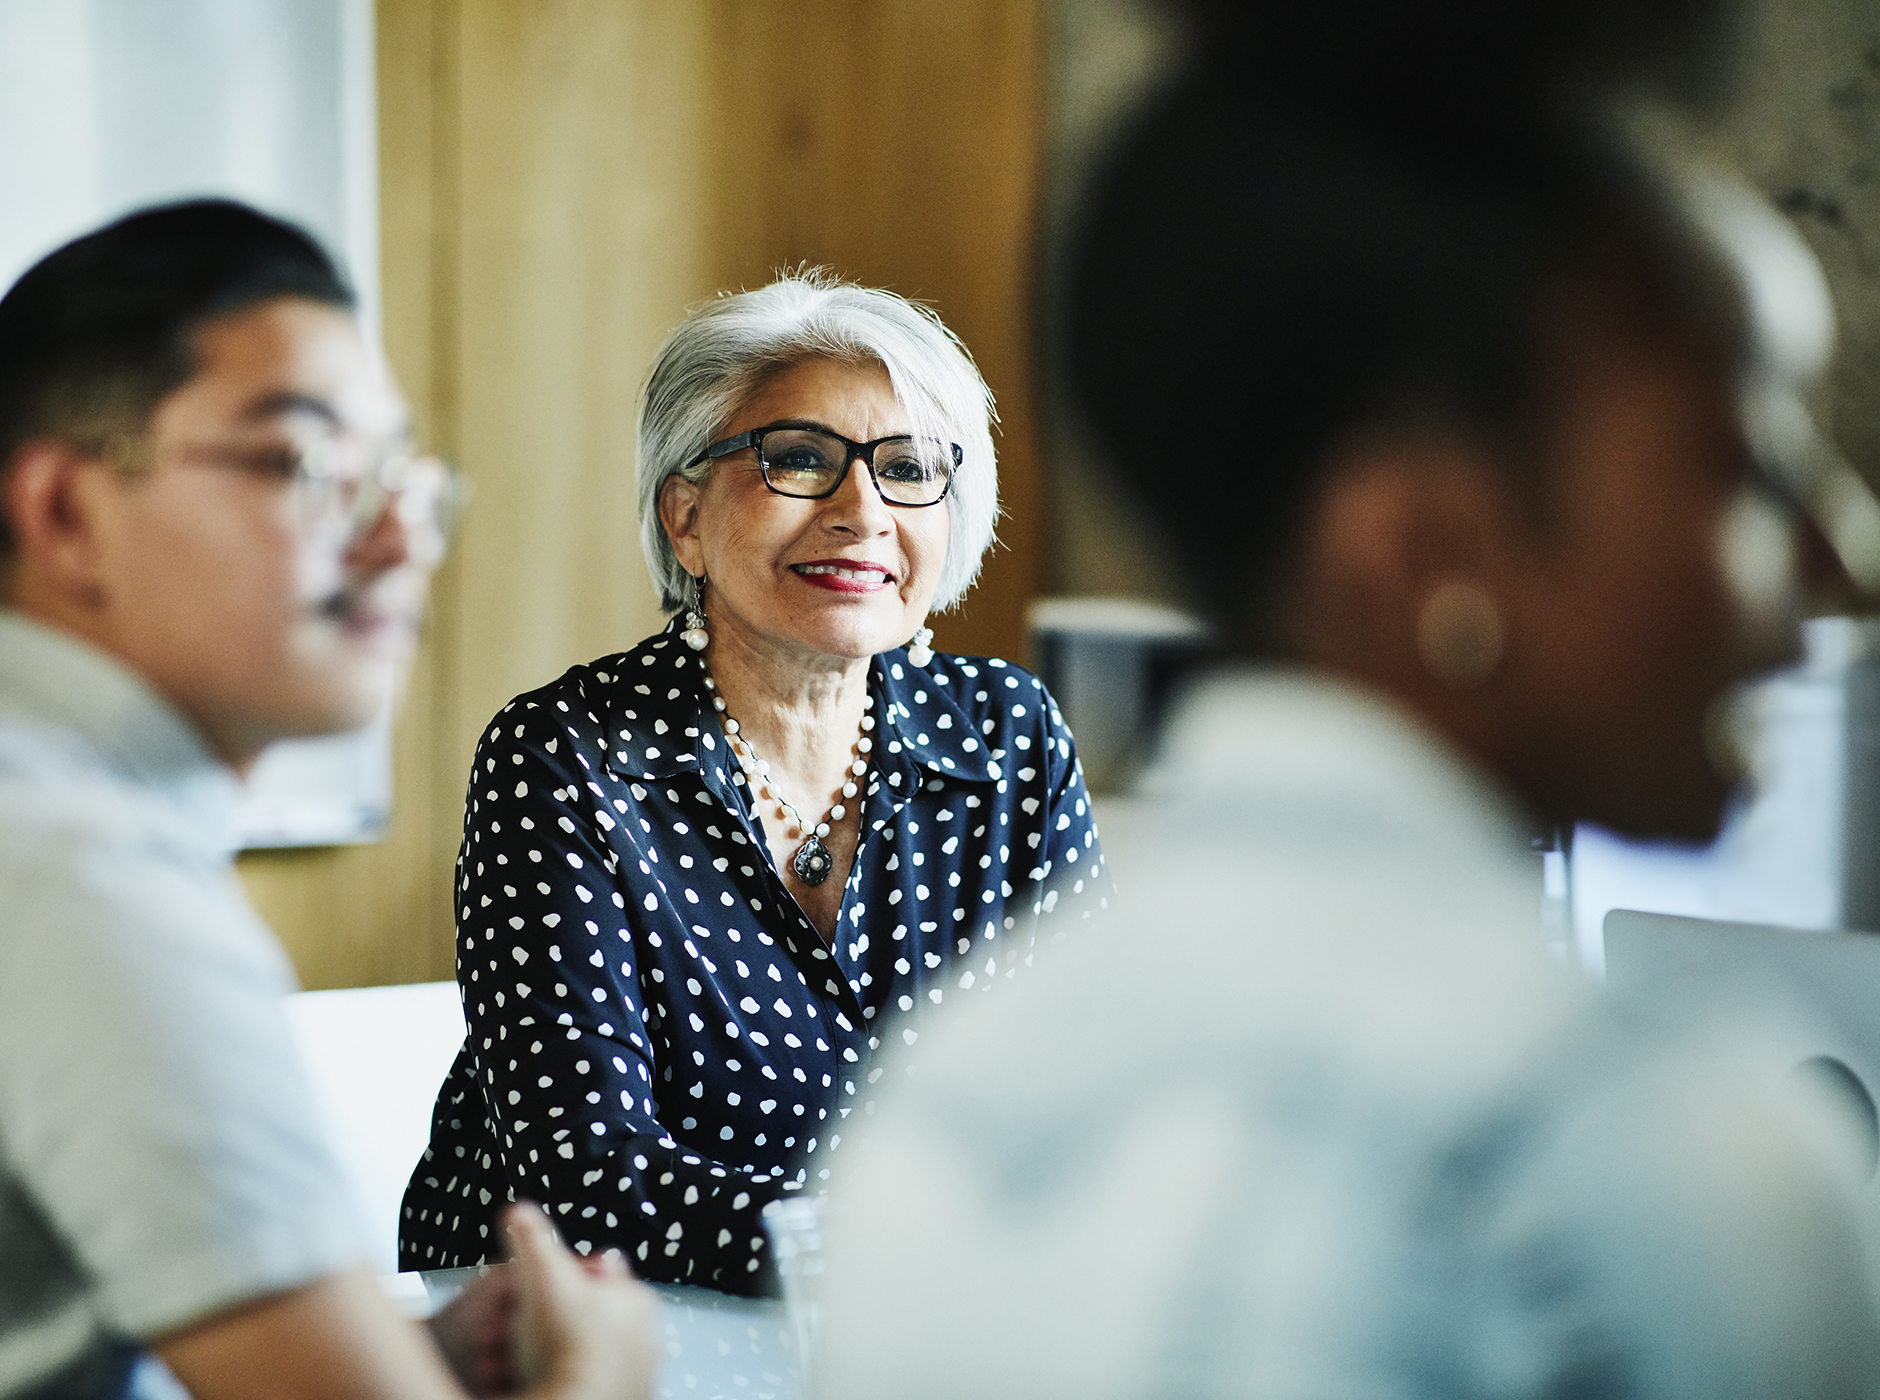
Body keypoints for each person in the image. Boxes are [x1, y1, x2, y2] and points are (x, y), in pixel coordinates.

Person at [813, 7, 1880, 1398]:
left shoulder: (935, 1121)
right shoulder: (1665, 1164)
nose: (1840, 555)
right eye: (1745, 461)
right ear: (1427, 554)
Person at [0, 200, 657, 1400]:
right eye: (306, 464)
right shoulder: (84, 875)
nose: (400, 534)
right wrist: (602, 1381)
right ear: (64, 512)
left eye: (401, 474)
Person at [399, 273, 1110, 1292]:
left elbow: (1093, 1093)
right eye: (799, 460)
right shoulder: (566, 756)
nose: (860, 510)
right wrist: (890, 1255)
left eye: (907, 468)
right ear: (684, 517)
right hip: (583, 1336)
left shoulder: (1007, 737)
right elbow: (589, 1180)